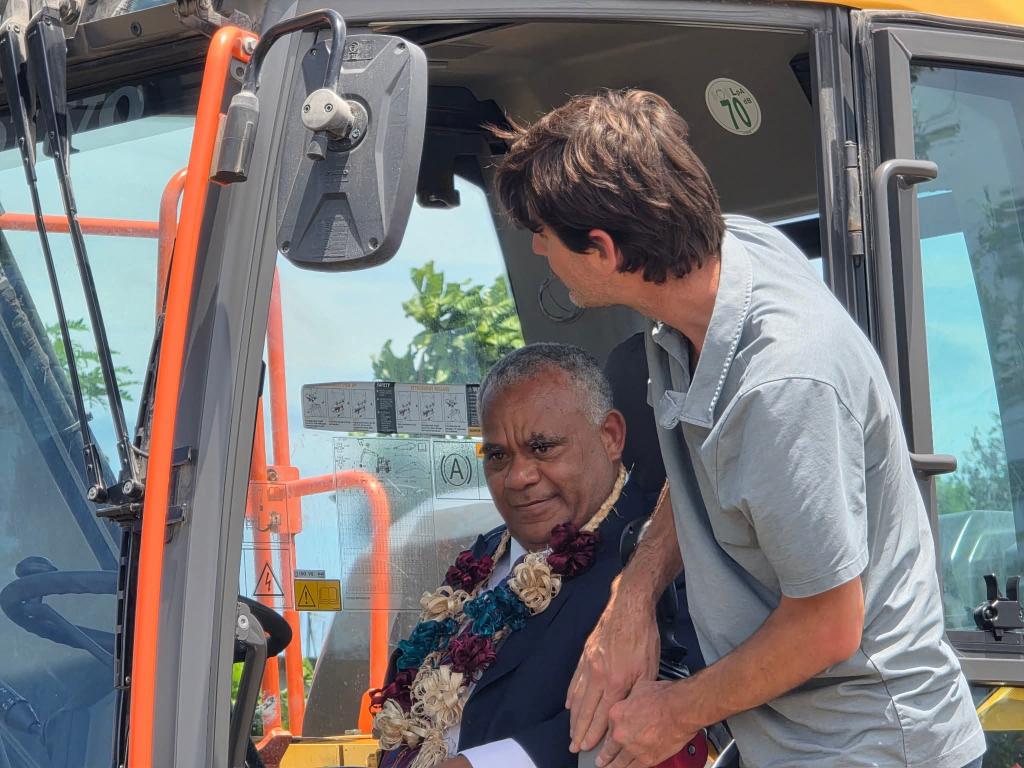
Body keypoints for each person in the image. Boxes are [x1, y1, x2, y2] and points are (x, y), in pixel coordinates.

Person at [493, 89, 986, 768]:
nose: (540, 250)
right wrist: (631, 598)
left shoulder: (784, 386)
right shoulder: (727, 258)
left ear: (603, 248)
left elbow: (827, 625)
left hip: (867, 750)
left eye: (543, 236)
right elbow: (700, 463)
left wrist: (675, 712)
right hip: (779, 740)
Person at [371, 343, 705, 768]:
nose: (518, 478)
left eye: (543, 448)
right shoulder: (482, 555)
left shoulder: (659, 559)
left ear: (610, 437)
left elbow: (664, 713)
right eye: (497, 456)